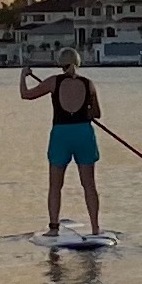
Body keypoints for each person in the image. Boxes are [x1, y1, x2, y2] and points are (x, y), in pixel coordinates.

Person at [20, 54, 103, 236]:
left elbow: (26, 95)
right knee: (89, 184)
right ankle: (96, 228)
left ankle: (54, 228)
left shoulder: (53, 82)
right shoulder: (88, 84)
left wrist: (23, 76)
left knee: (55, 185)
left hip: (61, 135)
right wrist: (84, 111)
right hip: (84, 133)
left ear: (61, 65)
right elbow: (96, 114)